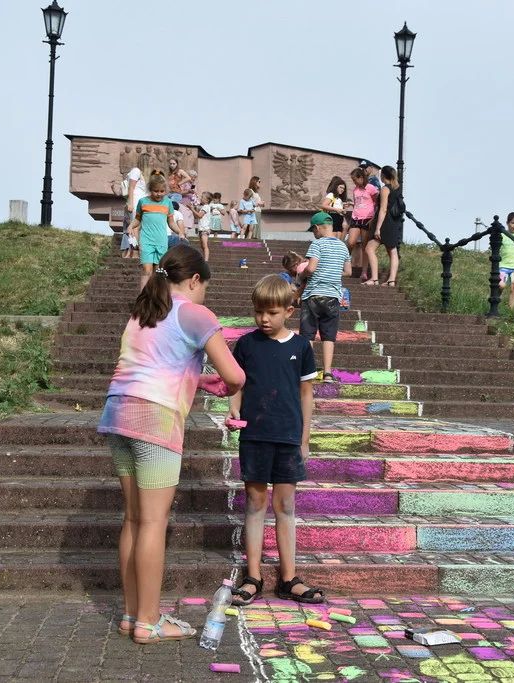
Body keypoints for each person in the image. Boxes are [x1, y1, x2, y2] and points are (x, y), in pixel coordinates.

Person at [97, 245, 245, 643]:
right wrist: (225, 383)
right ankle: (149, 623)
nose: (204, 297)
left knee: (132, 519)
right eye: (204, 288)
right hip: (156, 420)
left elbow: (155, 365)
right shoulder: (195, 313)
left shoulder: (144, 311)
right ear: (194, 280)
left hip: (118, 414)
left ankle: (133, 615)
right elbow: (236, 376)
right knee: (153, 523)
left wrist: (197, 378)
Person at [226, 275, 323, 606]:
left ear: (290, 311)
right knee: (254, 505)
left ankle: (288, 577)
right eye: (258, 312)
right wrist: (233, 410)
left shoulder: (301, 347)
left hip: (288, 436)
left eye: (272, 313)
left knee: (285, 506)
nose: (264, 319)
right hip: (254, 434)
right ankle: (253, 576)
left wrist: (305, 439)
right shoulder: (247, 344)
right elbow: (237, 385)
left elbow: (306, 395)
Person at [299, 213, 351, 382]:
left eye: (313, 231)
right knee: (328, 336)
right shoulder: (343, 247)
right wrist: (333, 273)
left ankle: (308, 371)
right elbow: (348, 272)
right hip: (333, 297)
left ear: (317, 228)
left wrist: (302, 274)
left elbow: (312, 268)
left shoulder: (317, 244)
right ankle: (327, 372)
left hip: (313, 294)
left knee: (308, 334)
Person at [129, 175, 183, 291]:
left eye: (162, 191)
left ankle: (155, 297)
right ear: (150, 189)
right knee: (146, 270)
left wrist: (180, 231)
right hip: (146, 240)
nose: (159, 194)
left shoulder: (168, 202)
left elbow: (171, 222)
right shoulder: (143, 201)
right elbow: (137, 219)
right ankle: (143, 298)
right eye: (156, 191)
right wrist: (130, 226)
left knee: (158, 272)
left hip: (161, 241)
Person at [366, 166, 404, 287]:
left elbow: (383, 209)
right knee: (392, 251)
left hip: (384, 222)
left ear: (383, 175)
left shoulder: (385, 189)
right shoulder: (397, 188)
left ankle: (374, 278)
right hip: (393, 222)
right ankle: (391, 280)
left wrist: (377, 228)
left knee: (369, 248)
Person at [348, 168, 378, 283]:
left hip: (367, 218)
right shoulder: (355, 190)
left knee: (365, 246)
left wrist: (373, 217)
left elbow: (377, 202)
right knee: (351, 243)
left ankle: (364, 272)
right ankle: (347, 266)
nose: (354, 182)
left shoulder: (370, 188)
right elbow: (356, 203)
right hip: (356, 218)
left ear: (361, 178)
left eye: (355, 179)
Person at [123, 167, 149, 259]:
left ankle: (136, 252)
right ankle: (135, 253)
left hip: (142, 202)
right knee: (135, 228)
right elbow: (131, 187)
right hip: (136, 201)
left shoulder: (143, 174)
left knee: (138, 228)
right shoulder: (136, 171)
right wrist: (130, 203)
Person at [189, 193, 213, 261]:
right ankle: (204, 259)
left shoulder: (206, 207)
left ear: (207, 200)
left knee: (205, 246)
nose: (201, 198)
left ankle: (206, 260)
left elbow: (199, 216)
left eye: (202, 197)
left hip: (205, 229)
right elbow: (197, 216)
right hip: (202, 228)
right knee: (203, 246)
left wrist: (192, 209)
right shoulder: (204, 207)